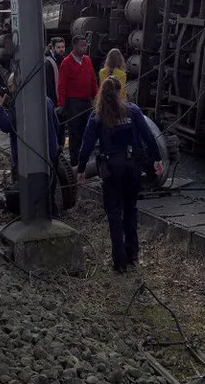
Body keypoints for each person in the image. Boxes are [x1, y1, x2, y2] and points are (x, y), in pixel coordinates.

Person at [77, 76, 164, 273]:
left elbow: (86, 146)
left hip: (111, 168)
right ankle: (133, 254)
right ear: (120, 92)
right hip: (132, 165)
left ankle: (119, 261)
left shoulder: (97, 116)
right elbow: (149, 136)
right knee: (130, 209)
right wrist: (157, 160)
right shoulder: (132, 111)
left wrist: (81, 169)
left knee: (114, 213)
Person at [0, 73, 64, 215]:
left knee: (31, 192)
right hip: (51, 154)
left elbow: (7, 126)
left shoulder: (20, 105)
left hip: (29, 158)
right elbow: (57, 126)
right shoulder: (48, 101)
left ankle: (34, 217)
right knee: (48, 192)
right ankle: (51, 217)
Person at [57, 35, 98, 171]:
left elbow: (92, 79)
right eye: (82, 45)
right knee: (75, 133)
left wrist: (96, 97)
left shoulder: (87, 60)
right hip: (73, 103)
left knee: (87, 130)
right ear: (74, 46)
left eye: (85, 45)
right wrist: (62, 104)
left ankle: (84, 159)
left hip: (86, 101)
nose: (84, 48)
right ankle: (74, 161)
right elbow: (62, 85)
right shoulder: (66, 63)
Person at [44, 37, 66, 101]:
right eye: (58, 47)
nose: (61, 49)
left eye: (63, 47)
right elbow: (49, 86)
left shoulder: (60, 59)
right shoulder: (48, 63)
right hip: (53, 100)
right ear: (53, 48)